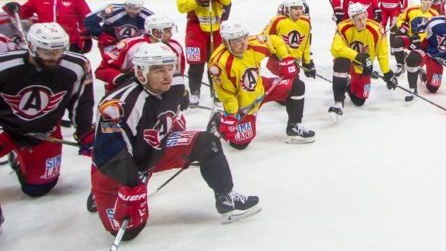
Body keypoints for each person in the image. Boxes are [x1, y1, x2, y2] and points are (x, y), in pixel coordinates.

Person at [91, 43, 260, 241]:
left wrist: (182, 99)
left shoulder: (175, 83)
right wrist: (132, 184)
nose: (167, 76)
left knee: (207, 142)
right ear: (141, 72)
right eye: (158, 70)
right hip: (116, 169)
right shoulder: (117, 106)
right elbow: (109, 155)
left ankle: (226, 197)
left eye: (170, 68)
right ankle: (98, 193)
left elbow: (172, 105)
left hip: (154, 149)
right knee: (129, 231)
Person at [0, 23, 95, 197]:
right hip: (6, 129)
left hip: (44, 132)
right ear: (31, 47)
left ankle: (19, 158)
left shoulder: (77, 66)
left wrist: (85, 132)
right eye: (47, 52)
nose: (54, 57)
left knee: (37, 189)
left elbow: (82, 102)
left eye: (59, 51)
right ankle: (14, 147)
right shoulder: (3, 66)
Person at [209, 21, 315, 148]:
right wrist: (231, 114)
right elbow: (227, 94)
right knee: (240, 143)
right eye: (236, 41)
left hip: (261, 87)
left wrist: (285, 58)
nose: (243, 44)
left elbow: (275, 40)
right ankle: (218, 119)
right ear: (226, 42)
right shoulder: (219, 63)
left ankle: (294, 126)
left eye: (244, 38)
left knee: (296, 86)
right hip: (242, 101)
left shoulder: (253, 44)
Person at [176, 0, 233, 107]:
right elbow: (181, 7)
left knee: (215, 63)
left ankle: (216, 92)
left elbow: (227, 0)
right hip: (195, 30)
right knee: (196, 64)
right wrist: (196, 0)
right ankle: (195, 92)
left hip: (216, 29)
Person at [329, 3, 398, 122]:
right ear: (352, 20)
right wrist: (359, 57)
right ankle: (338, 103)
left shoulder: (377, 29)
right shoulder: (343, 27)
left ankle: (347, 83)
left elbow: (382, 54)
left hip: (364, 68)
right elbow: (335, 49)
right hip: (349, 63)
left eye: (364, 18)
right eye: (358, 19)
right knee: (340, 61)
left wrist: (387, 72)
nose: (362, 22)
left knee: (359, 101)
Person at [2, 0, 92, 53]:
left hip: (71, 41)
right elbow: (23, 13)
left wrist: (85, 36)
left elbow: (86, 18)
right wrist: (12, 8)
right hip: (45, 42)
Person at [95, 14, 185, 94]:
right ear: (155, 32)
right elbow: (102, 70)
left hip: (160, 95)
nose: (171, 34)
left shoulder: (175, 47)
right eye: (167, 31)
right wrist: (121, 78)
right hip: (128, 94)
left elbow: (178, 74)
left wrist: (179, 92)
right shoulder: (130, 45)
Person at [403, 8, 446, 100]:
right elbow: (417, 26)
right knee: (413, 59)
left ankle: (422, 75)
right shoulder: (435, 22)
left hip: (438, 61)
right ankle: (412, 90)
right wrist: (417, 31)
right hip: (425, 52)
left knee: (433, 88)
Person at [263, 0, 315, 79]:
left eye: (300, 8)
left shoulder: (305, 22)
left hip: (295, 62)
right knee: (295, 84)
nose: (298, 11)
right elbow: (265, 38)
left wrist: (307, 63)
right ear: (288, 9)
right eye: (295, 8)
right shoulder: (278, 21)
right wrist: (280, 54)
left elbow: (306, 44)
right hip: (278, 60)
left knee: (295, 86)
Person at [390, 0, 439, 76]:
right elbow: (399, 20)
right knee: (397, 42)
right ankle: (400, 64)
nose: (428, 2)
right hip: (410, 39)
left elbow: (437, 31)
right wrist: (402, 25)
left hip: (423, 43)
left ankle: (413, 62)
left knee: (415, 60)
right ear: (421, 0)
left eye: (430, 0)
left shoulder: (435, 14)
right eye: (425, 0)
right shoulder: (411, 9)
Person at [84, 0, 152, 51]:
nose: (131, 10)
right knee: (111, 62)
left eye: (135, 8)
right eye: (128, 7)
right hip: (110, 43)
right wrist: (101, 35)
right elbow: (89, 20)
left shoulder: (149, 17)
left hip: (133, 45)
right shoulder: (112, 10)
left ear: (141, 7)